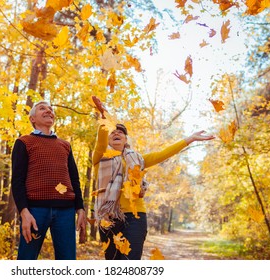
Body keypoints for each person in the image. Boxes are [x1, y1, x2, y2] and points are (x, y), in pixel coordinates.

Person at [91, 96, 215, 260]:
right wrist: (104, 116)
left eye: (121, 132)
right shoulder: (100, 157)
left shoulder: (137, 159)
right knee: (113, 262)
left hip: (135, 217)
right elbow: (100, 141)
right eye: (113, 131)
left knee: (131, 262)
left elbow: (162, 154)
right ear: (108, 138)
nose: (117, 133)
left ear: (126, 139)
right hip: (109, 217)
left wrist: (189, 139)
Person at [11, 100, 86, 260]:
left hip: (66, 211)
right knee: (26, 260)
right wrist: (24, 212)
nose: (48, 111)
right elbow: (17, 180)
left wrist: (80, 208)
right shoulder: (24, 142)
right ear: (32, 119)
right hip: (35, 211)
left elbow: (74, 178)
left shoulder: (65, 145)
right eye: (42, 108)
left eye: (51, 109)